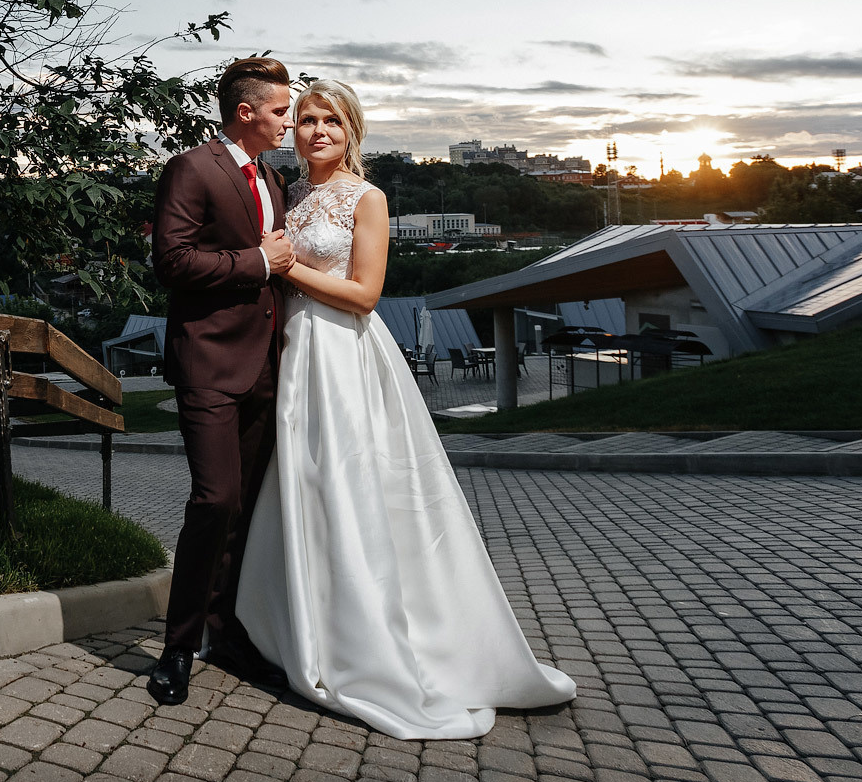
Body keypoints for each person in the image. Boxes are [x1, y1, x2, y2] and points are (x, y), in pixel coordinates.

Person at [235, 79, 576, 739]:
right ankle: (302, 626)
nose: (317, 130)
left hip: (342, 360)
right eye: (305, 119)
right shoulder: (289, 195)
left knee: (349, 485)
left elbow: (364, 294)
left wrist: (281, 268)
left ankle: (369, 640)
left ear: (351, 130)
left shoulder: (370, 198)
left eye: (331, 119)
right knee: (301, 489)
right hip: (292, 359)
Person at [145, 56, 298, 706]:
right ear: (247, 112)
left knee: (242, 509)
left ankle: (224, 634)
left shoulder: (272, 175)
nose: (289, 121)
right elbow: (172, 260)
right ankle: (177, 649)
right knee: (213, 501)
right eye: (282, 110)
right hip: (208, 364)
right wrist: (257, 259)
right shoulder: (192, 167)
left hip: (264, 367)